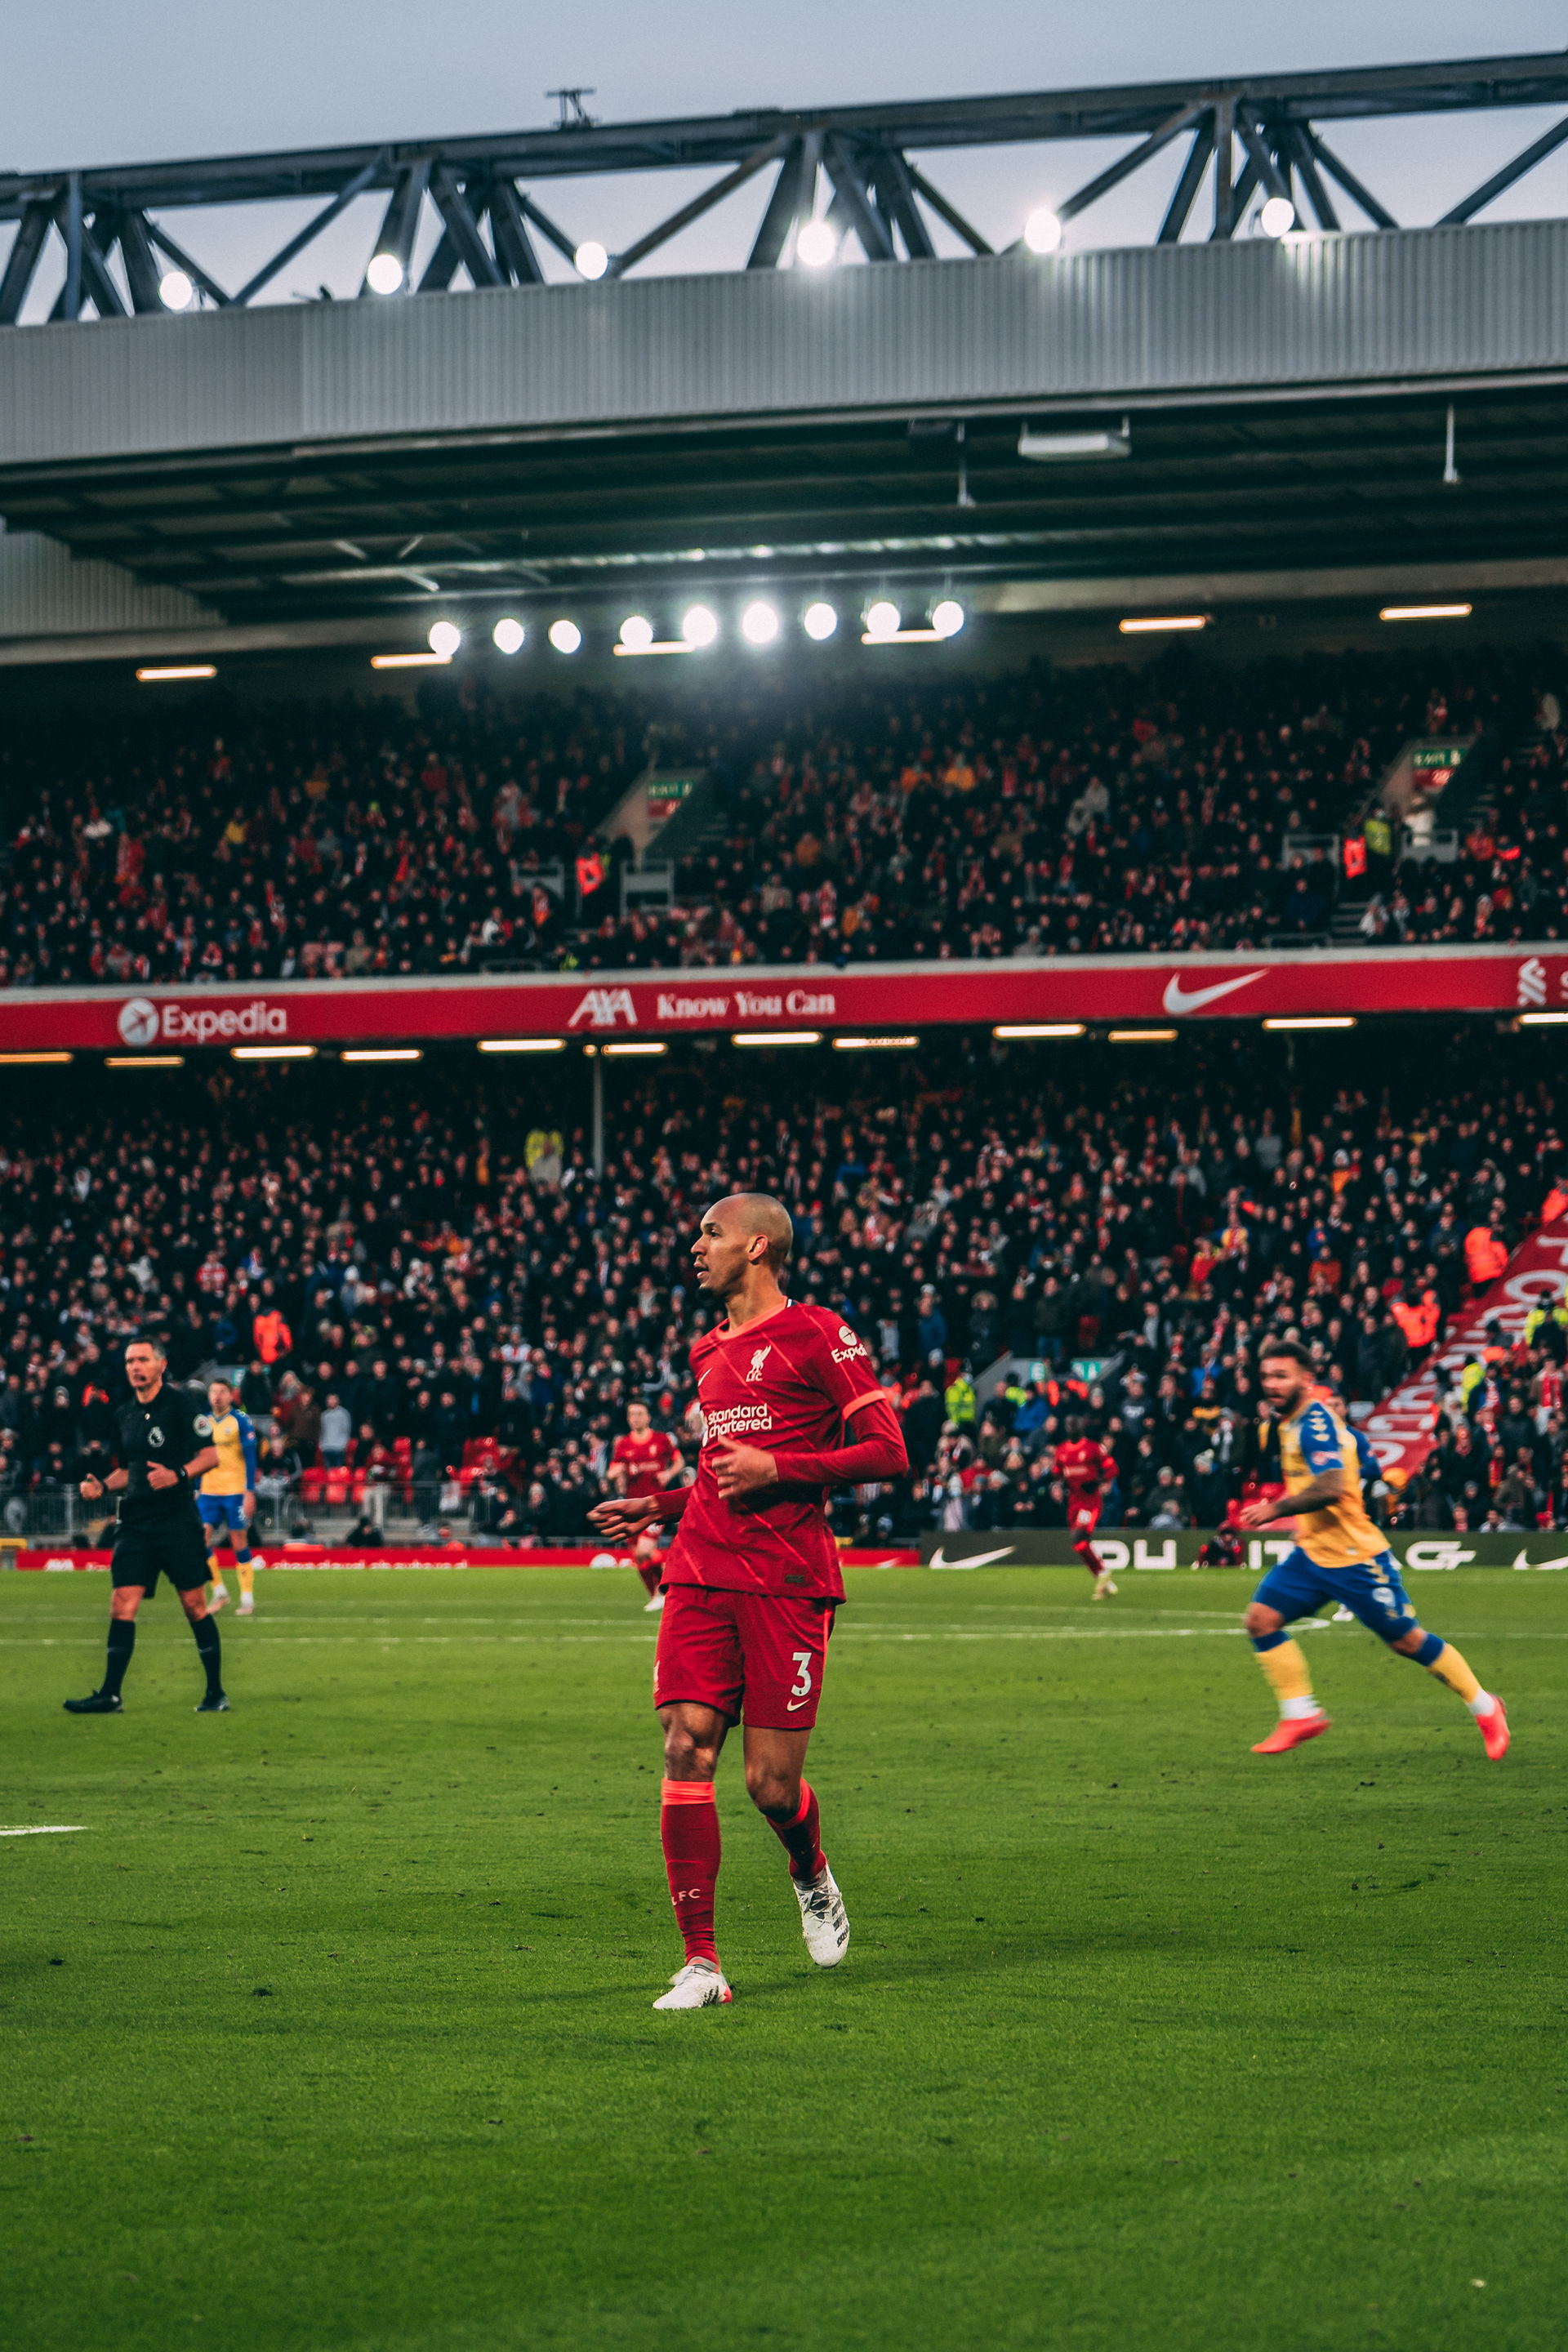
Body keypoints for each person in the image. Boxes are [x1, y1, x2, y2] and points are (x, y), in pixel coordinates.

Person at [590, 1192, 906, 2011]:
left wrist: (782, 1469)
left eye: (710, 1233)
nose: (695, 1246)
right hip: (699, 1568)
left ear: (758, 1246)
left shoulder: (818, 1334)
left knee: (770, 1785)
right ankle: (702, 1963)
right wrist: (659, 1507)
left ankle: (809, 1869)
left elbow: (889, 1450)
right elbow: (716, 1469)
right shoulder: (706, 1350)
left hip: (788, 1579)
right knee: (685, 1747)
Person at [1238, 1339, 1508, 1759]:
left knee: (1406, 1641)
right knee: (1260, 1621)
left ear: (1306, 1380)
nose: (1271, 1384)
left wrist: (1276, 1509)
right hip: (1312, 1554)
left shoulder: (1313, 1424)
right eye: (1266, 1376)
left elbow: (1332, 1486)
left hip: (1355, 1558)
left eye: (1281, 1376)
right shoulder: (1289, 1423)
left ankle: (1486, 1706)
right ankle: (1300, 1714)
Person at [64, 1335, 226, 1716]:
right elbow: (127, 1469)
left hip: (176, 1519)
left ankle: (216, 1692)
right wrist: (102, 1485)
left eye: (142, 1360)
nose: (135, 1367)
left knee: (194, 1604)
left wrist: (179, 1474)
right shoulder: (123, 1415)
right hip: (135, 1521)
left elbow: (211, 1455)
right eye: (129, 1361)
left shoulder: (182, 1405)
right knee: (122, 1603)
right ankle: (110, 1694)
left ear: (160, 1365)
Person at [607, 1397, 684, 1612]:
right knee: (638, 1556)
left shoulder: (661, 1440)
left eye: (640, 1413)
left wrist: (668, 1473)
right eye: (632, 1414)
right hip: (633, 1507)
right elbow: (611, 1470)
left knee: (644, 1550)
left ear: (648, 1416)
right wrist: (617, 1472)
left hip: (655, 1506)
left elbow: (679, 1461)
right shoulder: (623, 1444)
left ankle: (667, 1582)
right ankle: (656, 1595)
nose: (635, 1418)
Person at [199, 1376, 265, 1617]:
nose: (217, 1396)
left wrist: (250, 1491)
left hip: (235, 1491)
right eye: (213, 1391)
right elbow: (199, 1456)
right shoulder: (203, 1423)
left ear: (230, 1395)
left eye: (222, 1392)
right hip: (208, 1490)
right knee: (200, 1540)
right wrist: (196, 1486)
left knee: (238, 1541)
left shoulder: (240, 1421)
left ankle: (247, 1597)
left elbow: (251, 1459)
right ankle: (219, 1592)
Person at [1054, 1416, 1120, 1596]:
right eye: (1069, 1425)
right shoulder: (1061, 1450)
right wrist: (1060, 1484)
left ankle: (1103, 1573)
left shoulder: (1093, 1448)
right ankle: (1104, 1580)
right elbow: (1058, 1473)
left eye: (1075, 1425)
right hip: (1073, 1503)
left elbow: (1113, 1469)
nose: (1072, 1428)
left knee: (1079, 1539)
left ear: (1081, 1427)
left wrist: (1097, 1482)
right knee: (1080, 1545)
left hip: (1090, 1502)